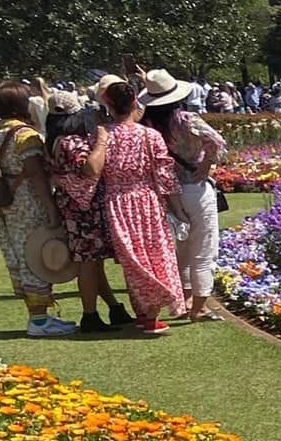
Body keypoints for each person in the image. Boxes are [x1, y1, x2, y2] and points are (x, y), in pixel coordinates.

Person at [0, 79, 75, 336]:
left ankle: (37, 316)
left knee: (18, 254)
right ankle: (39, 320)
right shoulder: (25, 135)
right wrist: (51, 208)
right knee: (36, 253)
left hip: (1, 202)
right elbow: (36, 175)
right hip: (27, 201)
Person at [91, 77, 188, 333]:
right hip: (147, 200)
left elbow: (93, 172)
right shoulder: (150, 135)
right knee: (155, 255)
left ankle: (144, 313)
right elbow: (166, 175)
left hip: (117, 201)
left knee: (132, 259)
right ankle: (151, 313)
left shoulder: (103, 136)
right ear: (135, 101)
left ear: (108, 105)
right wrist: (177, 208)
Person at [140, 70, 227, 322]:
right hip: (195, 187)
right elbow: (217, 141)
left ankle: (186, 298)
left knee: (182, 248)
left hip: (167, 191)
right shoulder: (186, 118)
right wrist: (207, 163)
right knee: (204, 248)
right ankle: (199, 306)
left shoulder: (148, 125)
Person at [42, 90, 130, 332]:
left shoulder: (54, 140)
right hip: (84, 209)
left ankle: (114, 308)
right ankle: (90, 315)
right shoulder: (72, 142)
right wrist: (101, 141)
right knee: (89, 264)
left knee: (92, 263)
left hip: (72, 207)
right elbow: (91, 169)